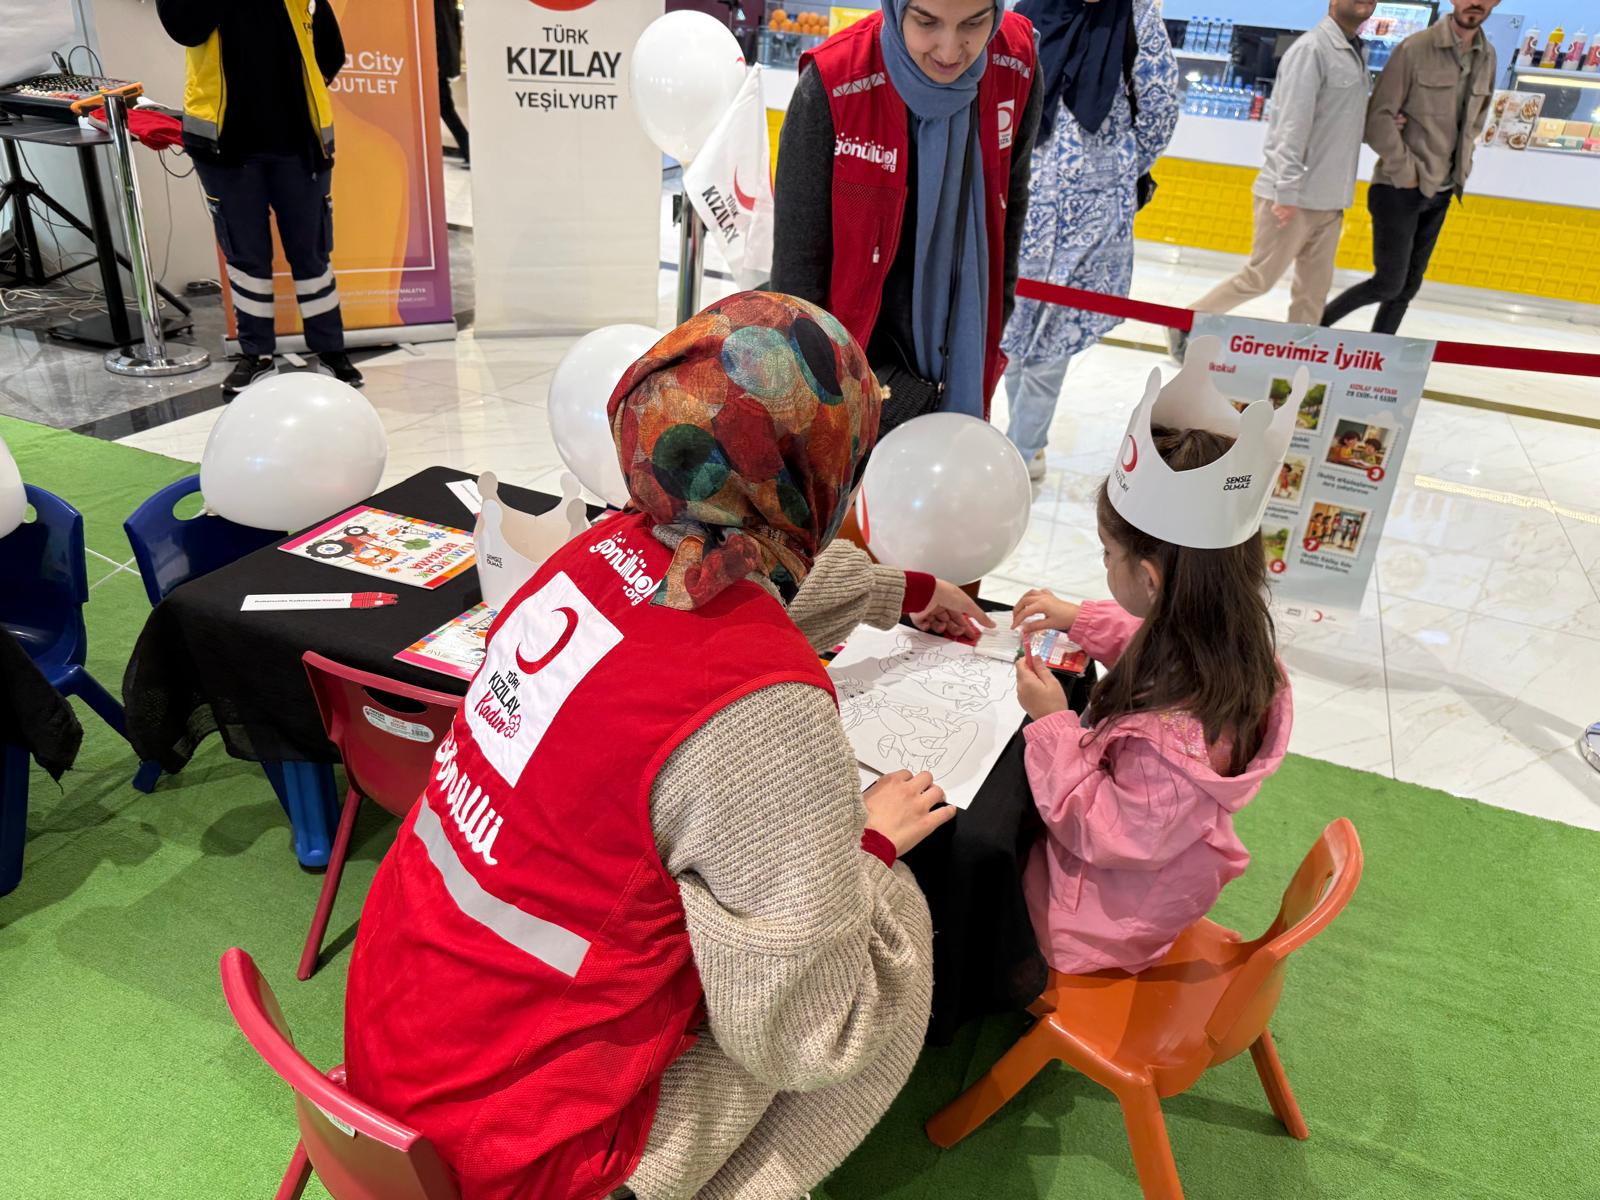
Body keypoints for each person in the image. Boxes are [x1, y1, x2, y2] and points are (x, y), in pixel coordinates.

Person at [342, 292, 999, 1200]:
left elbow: (726, 588)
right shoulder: (765, 707)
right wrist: (869, 853)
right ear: (824, 468)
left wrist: (899, 589)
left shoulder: (591, 554)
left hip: (391, 1073)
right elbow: (805, 1032)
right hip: (530, 1158)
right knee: (869, 969)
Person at [1006, 425, 1293, 975]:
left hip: (1092, 923)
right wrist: (1080, 617)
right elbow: (1154, 641)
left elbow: (1100, 830)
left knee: (978, 845)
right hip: (1150, 879)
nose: (1104, 562)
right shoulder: (1222, 637)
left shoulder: (1167, 750)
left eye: (1107, 552)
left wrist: (1053, 725)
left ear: (1149, 577)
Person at [770, 0, 1041, 428]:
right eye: (926, 22)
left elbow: (1010, 205)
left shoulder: (1016, 62)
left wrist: (996, 317)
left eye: (974, 23)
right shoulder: (835, 81)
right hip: (855, 368)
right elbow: (797, 273)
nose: (950, 51)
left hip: (963, 353)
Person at [1001, 0, 1178, 482]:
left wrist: (1117, 170)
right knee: (1011, 335)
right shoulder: (1031, 10)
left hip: (1093, 218)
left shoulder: (1136, 16)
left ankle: (1022, 449)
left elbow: (1161, 108)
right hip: (1023, 205)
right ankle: (1025, 444)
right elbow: (1003, 88)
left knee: (1050, 343)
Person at [157, 0, 363, 394]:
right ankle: (257, 355)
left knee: (312, 255)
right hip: (225, 147)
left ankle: (331, 351)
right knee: (246, 259)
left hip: (300, 147)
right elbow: (185, 26)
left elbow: (330, 53)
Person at [1173, 0, 1375, 362]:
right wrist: (1285, 191)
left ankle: (1299, 361)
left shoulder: (1355, 53)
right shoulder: (1312, 49)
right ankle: (1185, 321)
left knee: (1313, 291)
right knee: (1258, 279)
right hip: (1293, 197)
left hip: (1331, 200)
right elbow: (1290, 125)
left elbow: (1341, 124)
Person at [1320, 0, 1499, 334]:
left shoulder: (1487, 56)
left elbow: (1475, 122)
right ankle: (1310, 331)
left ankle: (1376, 359)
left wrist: (1463, 167)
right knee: (1388, 283)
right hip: (1398, 189)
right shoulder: (1415, 49)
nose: (1475, 2)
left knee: (1407, 289)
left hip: (1443, 190)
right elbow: (1378, 118)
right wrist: (1406, 172)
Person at [436, 0, 470, 165]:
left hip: (434, 64)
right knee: (445, 108)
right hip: (442, 62)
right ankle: (468, 150)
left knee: (445, 108)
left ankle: (469, 150)